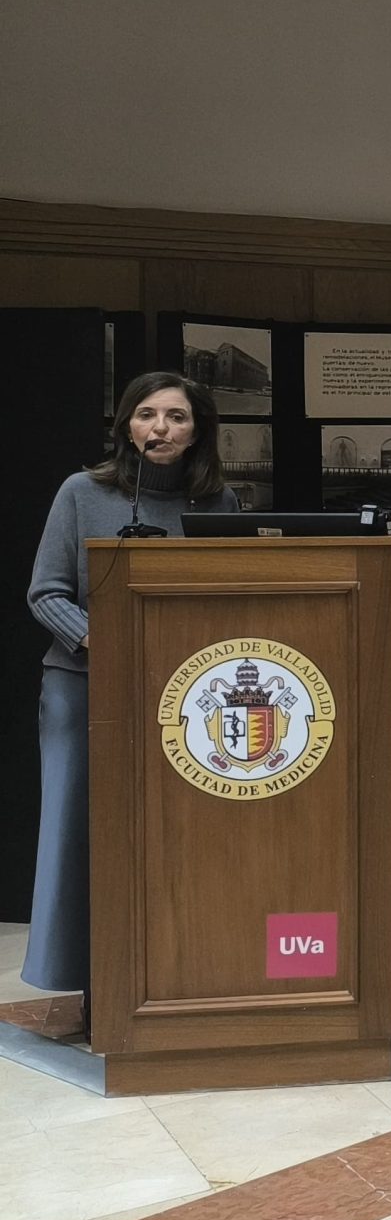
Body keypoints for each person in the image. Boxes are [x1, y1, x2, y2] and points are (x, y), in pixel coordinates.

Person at [23, 373, 239, 1001]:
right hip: (84, 685)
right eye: (146, 415)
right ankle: (77, 974)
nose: (160, 428)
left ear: (198, 430)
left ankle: (181, 963)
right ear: (125, 426)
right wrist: (105, 642)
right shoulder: (81, 492)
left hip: (186, 693)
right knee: (76, 824)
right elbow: (46, 593)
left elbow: (231, 595)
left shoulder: (219, 502)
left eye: (176, 416)